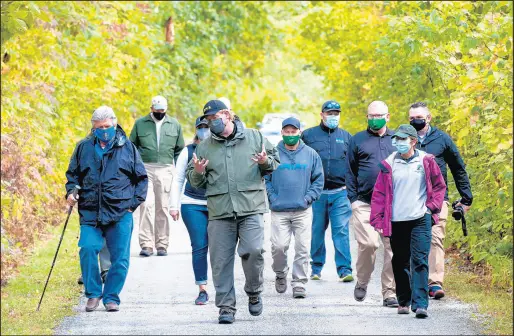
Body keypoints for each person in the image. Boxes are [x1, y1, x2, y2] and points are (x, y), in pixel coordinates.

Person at [186, 99, 280, 324]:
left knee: (254, 250)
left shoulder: (254, 137)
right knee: (220, 261)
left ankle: (254, 291)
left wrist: (265, 162)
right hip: (220, 211)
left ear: (227, 115)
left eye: (215, 118)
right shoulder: (205, 146)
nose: (211, 123)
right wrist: (198, 171)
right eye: (208, 121)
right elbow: (195, 181)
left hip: (251, 208)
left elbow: (275, 161)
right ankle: (226, 307)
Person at [65, 106, 148, 312]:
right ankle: (93, 294)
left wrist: (131, 205)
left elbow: (141, 179)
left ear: (114, 123)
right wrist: (71, 191)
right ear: (93, 128)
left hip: (120, 212)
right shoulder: (83, 147)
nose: (104, 130)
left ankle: (111, 297)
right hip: (90, 211)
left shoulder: (127, 147)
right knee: (87, 249)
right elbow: (73, 176)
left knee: (120, 259)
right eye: (99, 127)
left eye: (107, 126)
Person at [370, 124, 446, 318]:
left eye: (403, 139)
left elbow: (439, 186)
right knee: (400, 261)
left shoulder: (426, 161)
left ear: (413, 141)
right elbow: (379, 194)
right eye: (397, 139)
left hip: (421, 218)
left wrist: (431, 208)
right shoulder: (389, 164)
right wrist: (378, 219)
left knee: (420, 260)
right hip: (396, 220)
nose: (399, 143)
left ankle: (421, 304)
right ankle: (404, 300)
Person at [408, 102, 473, 299]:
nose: (415, 121)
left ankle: (435, 283)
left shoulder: (442, 139)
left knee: (436, 237)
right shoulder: (405, 139)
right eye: (411, 118)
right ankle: (414, 280)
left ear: (428, 118)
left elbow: (458, 168)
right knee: (413, 239)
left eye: (418, 117)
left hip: (437, 198)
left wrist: (466, 198)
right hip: (410, 198)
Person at [345, 100, 398, 307]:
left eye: (379, 115)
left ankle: (389, 292)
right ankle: (363, 280)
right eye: (371, 116)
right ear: (367, 117)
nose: (375, 119)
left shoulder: (398, 140)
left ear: (388, 116)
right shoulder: (357, 140)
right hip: (364, 203)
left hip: (392, 205)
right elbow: (349, 171)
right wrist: (353, 199)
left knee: (393, 248)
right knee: (369, 244)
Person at [265, 117, 324, 298]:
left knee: (303, 248)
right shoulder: (273, 152)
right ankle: (281, 273)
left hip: (302, 210)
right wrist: (273, 198)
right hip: (279, 210)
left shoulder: (311, 154)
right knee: (279, 247)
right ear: (282, 132)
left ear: (299, 132)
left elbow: (318, 180)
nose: (290, 135)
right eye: (287, 132)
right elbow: (265, 178)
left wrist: (307, 199)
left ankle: (299, 283)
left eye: (294, 132)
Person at [301, 100, 353, 282]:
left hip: (340, 193)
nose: (333, 116)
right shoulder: (308, 136)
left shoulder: (347, 137)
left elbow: (354, 166)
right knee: (316, 231)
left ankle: (345, 270)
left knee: (341, 231)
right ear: (322, 115)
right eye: (330, 113)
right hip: (317, 193)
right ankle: (316, 268)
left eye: (336, 113)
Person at [130, 96, 184, 257]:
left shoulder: (174, 124)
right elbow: (131, 146)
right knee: (146, 204)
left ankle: (162, 244)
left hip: (166, 168)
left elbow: (179, 150)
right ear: (151, 108)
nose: (160, 113)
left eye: (162, 110)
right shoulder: (140, 124)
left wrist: (181, 171)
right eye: (157, 110)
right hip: (145, 168)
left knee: (163, 207)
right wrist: (134, 167)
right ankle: (146, 244)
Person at [169, 117, 211, 305]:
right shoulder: (188, 150)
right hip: (192, 203)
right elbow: (178, 178)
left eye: (207, 127)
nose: (204, 130)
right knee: (199, 245)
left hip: (217, 203)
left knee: (220, 248)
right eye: (201, 127)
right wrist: (173, 205)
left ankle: (223, 287)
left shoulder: (221, 148)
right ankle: (202, 288)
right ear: (196, 130)